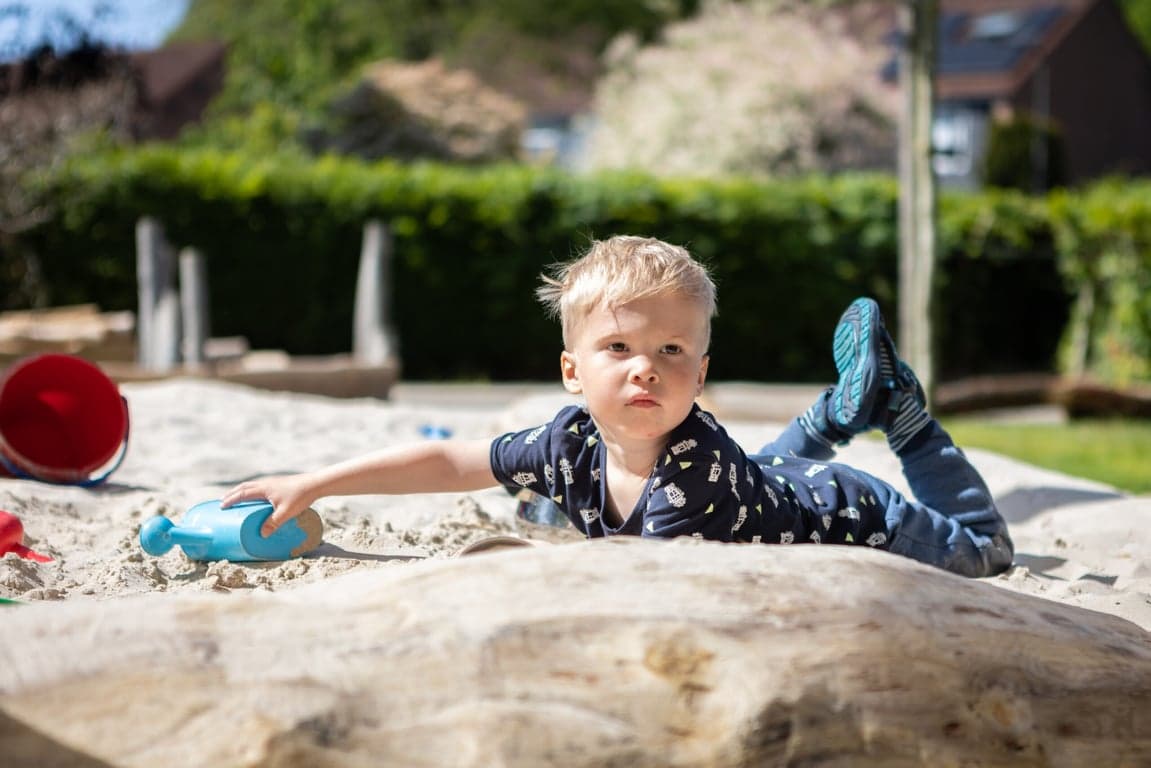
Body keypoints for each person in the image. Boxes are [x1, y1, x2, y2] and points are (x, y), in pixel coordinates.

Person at [222, 235, 1013, 578]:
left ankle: (900, 414)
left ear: (699, 373)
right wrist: (316, 482)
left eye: (671, 352)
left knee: (982, 553)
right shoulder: (566, 443)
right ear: (571, 370)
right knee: (770, 477)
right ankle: (840, 413)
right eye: (618, 350)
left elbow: (640, 579)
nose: (645, 370)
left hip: (852, 517)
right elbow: (453, 459)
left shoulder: (692, 475)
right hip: (766, 492)